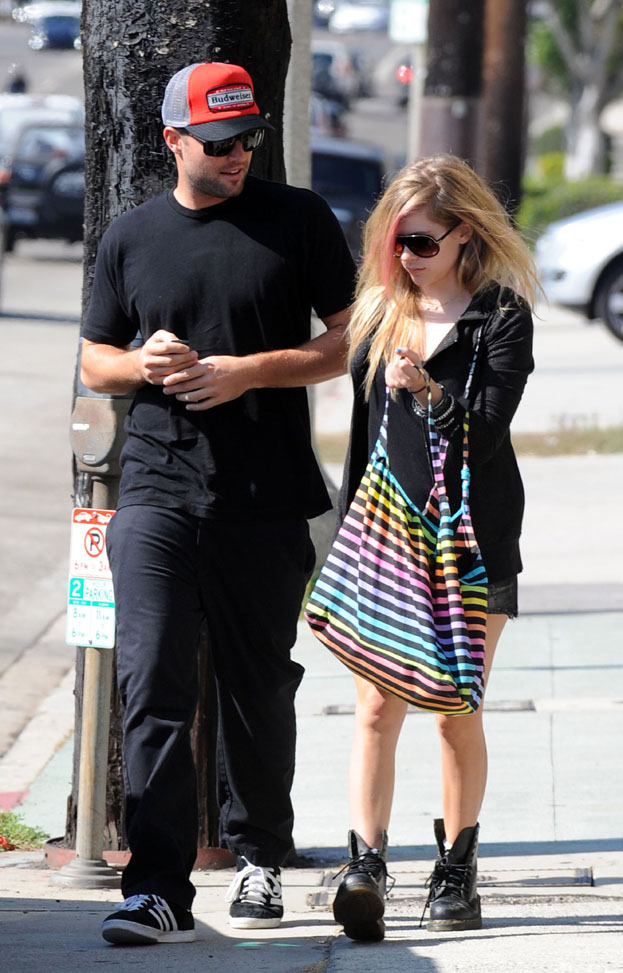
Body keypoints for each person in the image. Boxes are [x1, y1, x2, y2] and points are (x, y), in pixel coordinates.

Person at [79, 61, 355, 946]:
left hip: (264, 499)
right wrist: (141, 364)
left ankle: (259, 859)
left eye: (247, 139)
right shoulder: (130, 236)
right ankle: (157, 889)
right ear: (173, 140)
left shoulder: (297, 219)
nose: (237, 154)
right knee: (151, 684)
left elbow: (348, 339)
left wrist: (251, 371)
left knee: (256, 688)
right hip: (155, 494)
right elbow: (95, 359)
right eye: (218, 141)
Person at [326, 155, 538, 942]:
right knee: (376, 706)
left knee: (454, 709)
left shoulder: (499, 317)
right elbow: (364, 437)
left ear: (463, 235)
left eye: (420, 241)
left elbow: (487, 429)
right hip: (385, 538)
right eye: (393, 240)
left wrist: (428, 391)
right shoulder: (378, 310)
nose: (405, 256)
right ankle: (365, 867)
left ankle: (456, 868)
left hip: (473, 543)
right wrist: (347, 530)